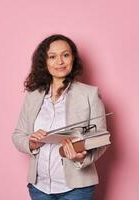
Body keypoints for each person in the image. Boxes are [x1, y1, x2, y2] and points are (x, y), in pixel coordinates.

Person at [12, 34, 110, 200]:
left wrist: (82, 156)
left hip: (77, 189)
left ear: (73, 58)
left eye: (65, 55)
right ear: (44, 62)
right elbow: (18, 135)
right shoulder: (33, 96)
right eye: (52, 57)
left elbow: (101, 139)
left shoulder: (89, 94)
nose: (60, 62)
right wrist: (31, 143)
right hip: (39, 187)